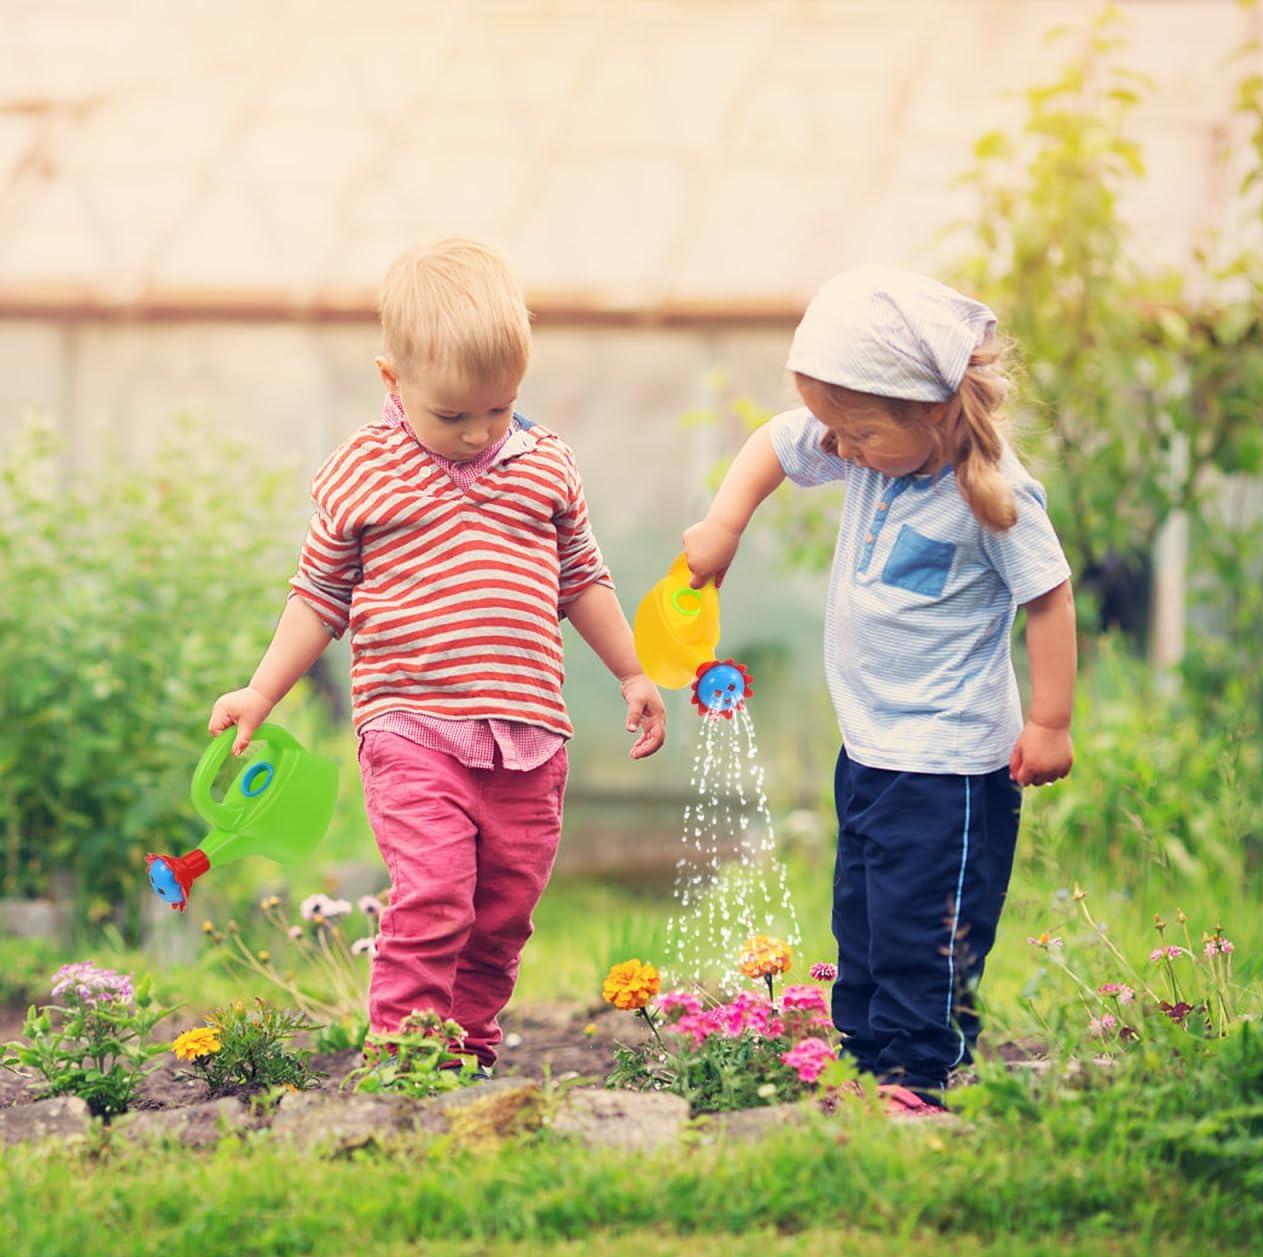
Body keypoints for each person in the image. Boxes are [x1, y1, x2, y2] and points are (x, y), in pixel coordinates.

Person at [209, 239, 666, 1071]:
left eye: (498, 409)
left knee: (502, 909)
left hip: (528, 733)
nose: (477, 433)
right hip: (411, 725)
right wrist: (261, 692)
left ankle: (469, 1048)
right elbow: (318, 596)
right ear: (393, 380)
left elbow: (583, 579)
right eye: (452, 415)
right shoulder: (364, 471)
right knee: (435, 892)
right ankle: (405, 1053)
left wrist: (631, 671)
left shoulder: (546, 467)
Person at [683, 265, 1075, 1114]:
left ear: (929, 410)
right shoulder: (866, 447)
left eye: (855, 433)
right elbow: (771, 446)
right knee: (863, 913)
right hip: (872, 748)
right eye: (835, 430)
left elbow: (1049, 597)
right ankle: (866, 1056)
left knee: (924, 927)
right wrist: (724, 525)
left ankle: (922, 1074)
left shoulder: (994, 494)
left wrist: (1050, 721)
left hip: (951, 762)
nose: (839, 448)